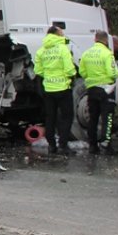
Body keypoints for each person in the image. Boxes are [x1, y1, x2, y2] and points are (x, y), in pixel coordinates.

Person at [34, 25, 77, 154]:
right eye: (61, 32)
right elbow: (69, 69)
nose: (63, 35)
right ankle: (63, 145)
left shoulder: (41, 51)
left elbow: (38, 71)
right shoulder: (63, 49)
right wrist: (72, 75)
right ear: (57, 34)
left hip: (48, 89)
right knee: (67, 116)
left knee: (50, 117)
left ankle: (51, 145)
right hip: (63, 88)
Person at [79, 30, 118, 154]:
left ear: (95, 39)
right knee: (107, 117)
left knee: (93, 117)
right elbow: (113, 73)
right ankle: (106, 144)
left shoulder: (86, 53)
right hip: (105, 89)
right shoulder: (107, 53)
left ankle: (93, 145)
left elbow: (82, 72)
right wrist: (113, 78)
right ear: (106, 40)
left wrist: (91, 79)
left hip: (92, 89)